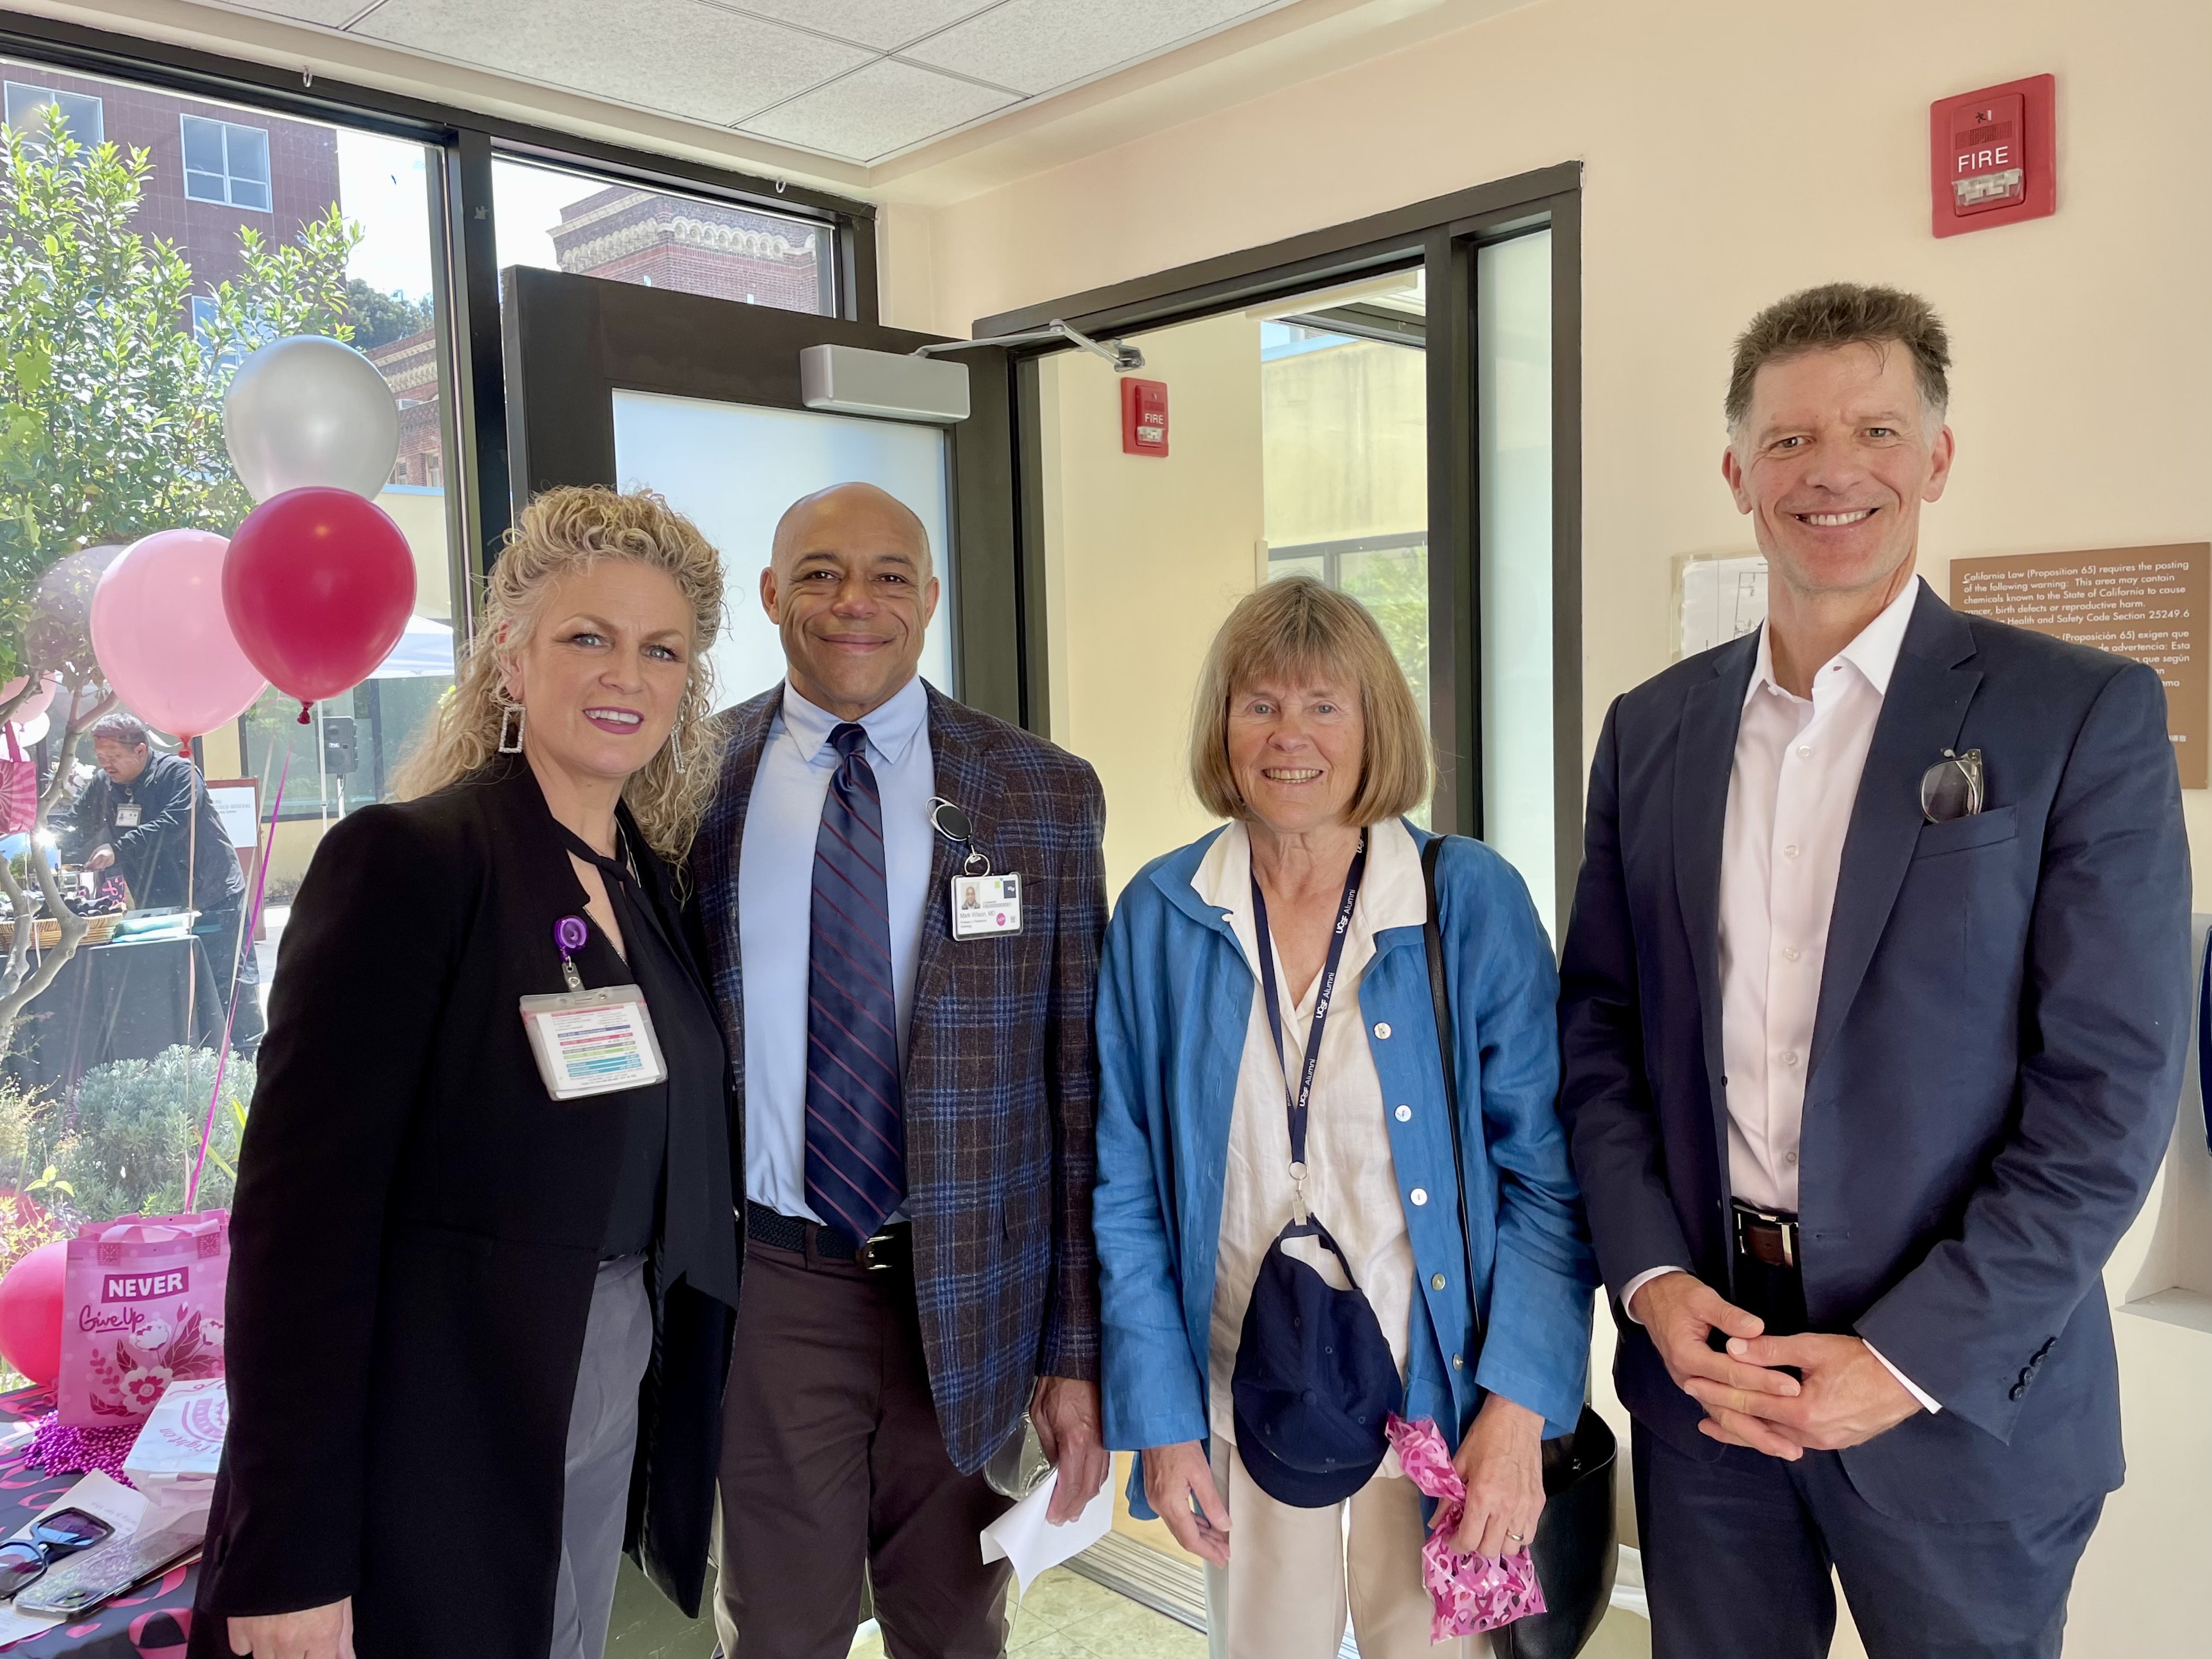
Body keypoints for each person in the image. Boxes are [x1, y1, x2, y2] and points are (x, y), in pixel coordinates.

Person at [1558, 284, 2189, 1659]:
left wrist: (1903, 1361)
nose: (1830, 470)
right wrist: (1653, 1282)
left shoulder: (2079, 714)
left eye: (1874, 430)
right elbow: (1597, 1034)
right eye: (1787, 441)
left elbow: (2110, 1098)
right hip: (1707, 1387)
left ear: (1936, 459)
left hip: (1963, 1405)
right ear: (1736, 470)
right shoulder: (1652, 730)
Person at [189, 488, 743, 1659]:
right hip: (442, 1404)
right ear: (511, 658)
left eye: (660, 650)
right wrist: (287, 1546)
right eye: (585, 636)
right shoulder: (411, 864)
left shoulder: (646, 879)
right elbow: (299, 1234)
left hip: (599, 1383)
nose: (624, 675)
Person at [1093, 577, 1594, 1658]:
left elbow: (1548, 1186)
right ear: (1222, 730)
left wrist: (1516, 1413)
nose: (1290, 737)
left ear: (1376, 727)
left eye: (1325, 705)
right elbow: (1123, 1188)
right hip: (1243, 1390)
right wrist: (1163, 1421)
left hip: (1442, 1410)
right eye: (1259, 703)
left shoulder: (1465, 905)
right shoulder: (1161, 916)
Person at [694, 481, 1109, 1659]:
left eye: (887, 573)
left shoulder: (1038, 790)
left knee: (956, 1630)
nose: (853, 601)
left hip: (973, 1290)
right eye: (819, 571)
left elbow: (1079, 1095)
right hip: (774, 1285)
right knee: (777, 1630)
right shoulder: (692, 785)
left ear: (929, 597)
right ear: (772, 594)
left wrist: (1074, 1354)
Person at [64, 711, 262, 1048]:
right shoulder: (104, 784)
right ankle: (194, 1062)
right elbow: (74, 824)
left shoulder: (180, 774)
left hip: (212, 896)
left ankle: (249, 1059)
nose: (106, 765)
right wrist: (36, 850)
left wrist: (117, 850)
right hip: (158, 904)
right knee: (174, 983)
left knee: (230, 982)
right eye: (100, 758)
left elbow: (175, 824)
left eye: (113, 757)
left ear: (140, 750)